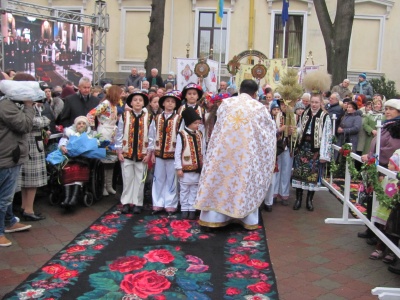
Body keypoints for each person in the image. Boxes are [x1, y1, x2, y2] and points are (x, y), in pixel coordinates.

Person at [194, 79, 276, 230]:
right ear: (255, 93)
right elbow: (269, 132)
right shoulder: (259, 108)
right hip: (245, 156)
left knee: (219, 182)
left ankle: (214, 218)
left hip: (223, 154)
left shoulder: (226, 104)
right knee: (242, 183)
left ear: (240, 89)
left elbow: (218, 128)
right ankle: (244, 218)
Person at [0, 78, 34, 247]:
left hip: (8, 156)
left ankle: (10, 221)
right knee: (3, 197)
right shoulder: (6, 106)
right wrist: (28, 106)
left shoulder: (7, 104)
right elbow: (25, 125)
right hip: (6, 157)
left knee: (7, 195)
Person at [360, 99, 400, 240]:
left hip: (384, 167)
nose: (387, 111)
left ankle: (378, 234)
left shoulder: (397, 127)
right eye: (386, 108)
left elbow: (391, 149)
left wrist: (371, 156)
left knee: (381, 201)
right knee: (372, 198)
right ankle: (370, 228)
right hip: (376, 166)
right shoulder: (386, 125)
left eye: (391, 109)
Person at [13, 73, 50, 221]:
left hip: (33, 143)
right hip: (29, 143)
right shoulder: (22, 102)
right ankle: (28, 209)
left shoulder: (23, 100)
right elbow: (31, 121)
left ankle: (25, 207)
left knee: (28, 180)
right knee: (31, 180)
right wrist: (44, 120)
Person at [292, 93, 332, 211]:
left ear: (321, 103)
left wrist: (324, 154)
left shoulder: (325, 116)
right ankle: (298, 199)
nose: (314, 105)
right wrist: (295, 131)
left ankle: (309, 200)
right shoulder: (305, 113)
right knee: (299, 173)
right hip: (303, 147)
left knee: (312, 175)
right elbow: (300, 128)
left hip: (314, 149)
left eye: (316, 102)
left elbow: (327, 135)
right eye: (312, 102)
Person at [115, 92, 153, 214]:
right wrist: (119, 151)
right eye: (135, 100)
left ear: (144, 103)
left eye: (140, 100)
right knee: (127, 178)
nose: (137, 102)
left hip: (142, 154)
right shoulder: (125, 116)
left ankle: (137, 203)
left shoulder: (149, 117)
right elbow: (119, 134)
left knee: (140, 179)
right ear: (130, 103)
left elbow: (152, 136)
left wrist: (149, 153)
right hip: (127, 153)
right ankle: (126, 202)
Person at [148, 92, 182, 215]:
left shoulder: (179, 118)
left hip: (172, 153)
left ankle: (170, 204)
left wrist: (179, 154)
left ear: (176, 105)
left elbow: (181, 137)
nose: (170, 104)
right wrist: (151, 152)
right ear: (162, 103)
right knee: (158, 178)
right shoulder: (156, 118)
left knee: (172, 179)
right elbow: (151, 135)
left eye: (172, 102)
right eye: (167, 101)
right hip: (158, 153)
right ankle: (157, 203)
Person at [87, 85, 120, 196]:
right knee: (104, 160)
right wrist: (92, 129)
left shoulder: (113, 105)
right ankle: (104, 186)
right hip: (104, 132)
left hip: (112, 133)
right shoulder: (105, 104)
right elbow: (91, 114)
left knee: (111, 161)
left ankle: (109, 185)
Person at [368, 150, 400, 263]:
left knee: (393, 232)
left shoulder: (397, 181)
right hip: (384, 209)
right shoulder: (387, 177)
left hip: (393, 211)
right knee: (382, 229)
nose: (388, 165)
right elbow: (382, 189)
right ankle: (379, 248)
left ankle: (392, 252)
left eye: (391, 164)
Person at [174, 107, 205, 220]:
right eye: (195, 123)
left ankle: (192, 208)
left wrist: (203, 165)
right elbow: (178, 153)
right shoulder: (181, 135)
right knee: (184, 189)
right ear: (188, 123)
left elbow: (203, 150)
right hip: (185, 169)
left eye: (198, 123)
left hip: (197, 168)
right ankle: (184, 208)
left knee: (194, 189)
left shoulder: (200, 134)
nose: (197, 125)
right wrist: (178, 167)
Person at [58, 116, 94, 207]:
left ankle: (74, 198)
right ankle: (67, 198)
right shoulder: (70, 134)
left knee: (77, 169)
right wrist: (63, 147)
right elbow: (62, 142)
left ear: (86, 126)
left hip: (83, 160)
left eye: (83, 123)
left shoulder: (90, 135)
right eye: (79, 123)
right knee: (67, 169)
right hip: (71, 159)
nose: (81, 125)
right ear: (75, 125)